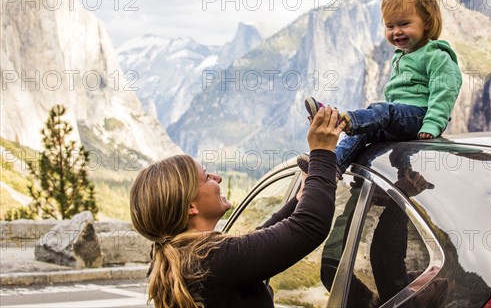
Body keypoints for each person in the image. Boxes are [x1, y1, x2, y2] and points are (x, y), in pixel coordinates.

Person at [129, 107, 345, 308]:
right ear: (191, 207)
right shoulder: (213, 261)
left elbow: (257, 240)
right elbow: (309, 226)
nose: (218, 178)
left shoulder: (184, 261)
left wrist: (299, 199)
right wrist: (322, 151)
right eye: (207, 177)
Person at [299, 0, 463, 175]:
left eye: (404, 24)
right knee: (363, 132)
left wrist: (433, 124)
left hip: (419, 117)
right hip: (401, 118)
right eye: (390, 26)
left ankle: (342, 120)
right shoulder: (401, 55)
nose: (396, 32)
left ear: (426, 22)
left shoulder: (436, 55)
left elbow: (445, 90)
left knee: (384, 110)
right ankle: (332, 166)